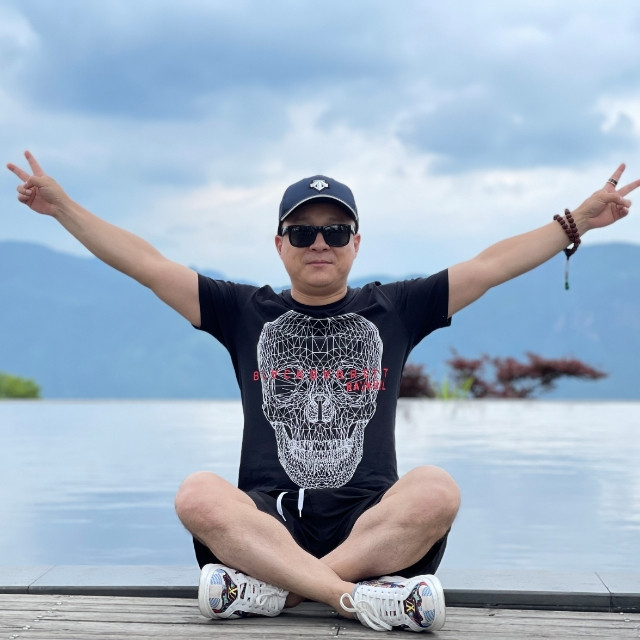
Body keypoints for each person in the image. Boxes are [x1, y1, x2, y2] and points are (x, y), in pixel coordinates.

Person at [7, 151, 638, 633]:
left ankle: (275, 594)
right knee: (197, 492)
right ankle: (356, 599)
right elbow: (146, 264)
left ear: (355, 243)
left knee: (437, 489)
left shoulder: (397, 308)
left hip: (372, 527)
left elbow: (491, 266)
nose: (319, 243)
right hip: (266, 524)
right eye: (302, 231)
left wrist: (576, 221)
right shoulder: (241, 312)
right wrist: (64, 208)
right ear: (279, 243)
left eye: (336, 232)